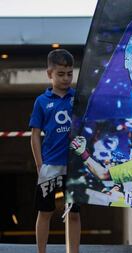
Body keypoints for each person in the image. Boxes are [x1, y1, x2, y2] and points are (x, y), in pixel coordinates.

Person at [29, 49, 80, 253]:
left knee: (74, 213)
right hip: (50, 165)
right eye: (61, 74)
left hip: (74, 167)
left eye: (69, 73)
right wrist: (40, 165)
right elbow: (34, 135)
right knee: (45, 211)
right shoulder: (41, 102)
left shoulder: (77, 98)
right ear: (49, 73)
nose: (66, 78)